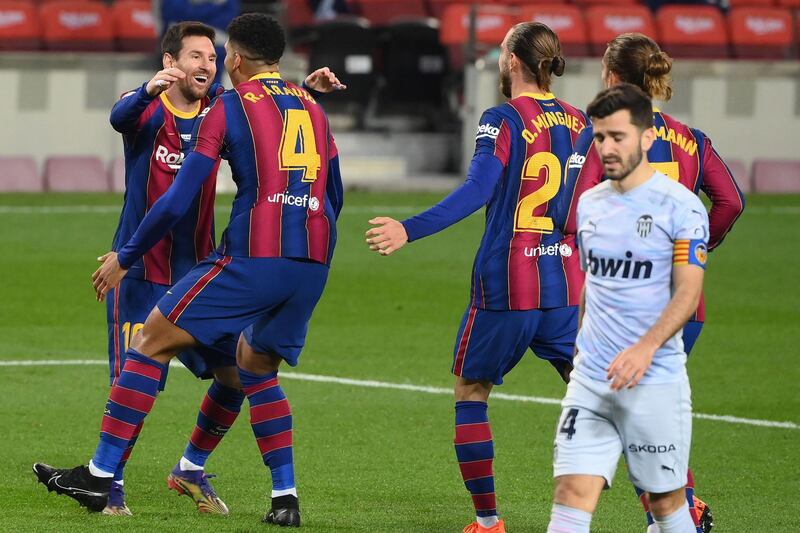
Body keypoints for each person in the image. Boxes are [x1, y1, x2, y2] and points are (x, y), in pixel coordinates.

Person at [33, 13, 344, 528]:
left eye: (214, 56)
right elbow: (119, 116)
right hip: (298, 258)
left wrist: (122, 255)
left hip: (209, 266)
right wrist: (300, 93)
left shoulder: (225, 108)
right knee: (245, 370)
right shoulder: (154, 111)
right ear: (171, 63)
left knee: (189, 362)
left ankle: (112, 474)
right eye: (196, 55)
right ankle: (130, 485)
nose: (208, 63)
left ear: (233, 61)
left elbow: (179, 198)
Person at [366, 22, 587, 533]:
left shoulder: (502, 118)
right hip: (563, 287)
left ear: (512, 61)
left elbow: (476, 190)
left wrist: (409, 228)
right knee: (601, 396)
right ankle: (674, 501)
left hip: (506, 286)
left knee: (472, 391)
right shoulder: (582, 122)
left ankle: (488, 522)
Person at [561, 32, 744, 532]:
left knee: (616, 424)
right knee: (648, 417)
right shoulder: (692, 138)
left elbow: (573, 210)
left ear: (614, 78)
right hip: (684, 308)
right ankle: (677, 507)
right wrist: (696, 253)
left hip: (623, 306)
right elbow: (731, 202)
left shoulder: (605, 136)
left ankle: (679, 510)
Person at [547, 83, 709, 533]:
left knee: (666, 503)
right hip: (592, 381)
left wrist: (645, 349)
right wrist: (582, 350)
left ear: (647, 136)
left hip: (654, 380)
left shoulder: (682, 208)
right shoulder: (591, 203)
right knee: (570, 493)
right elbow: (592, 286)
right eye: (600, 137)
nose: (607, 148)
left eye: (618, 136)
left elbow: (687, 293)